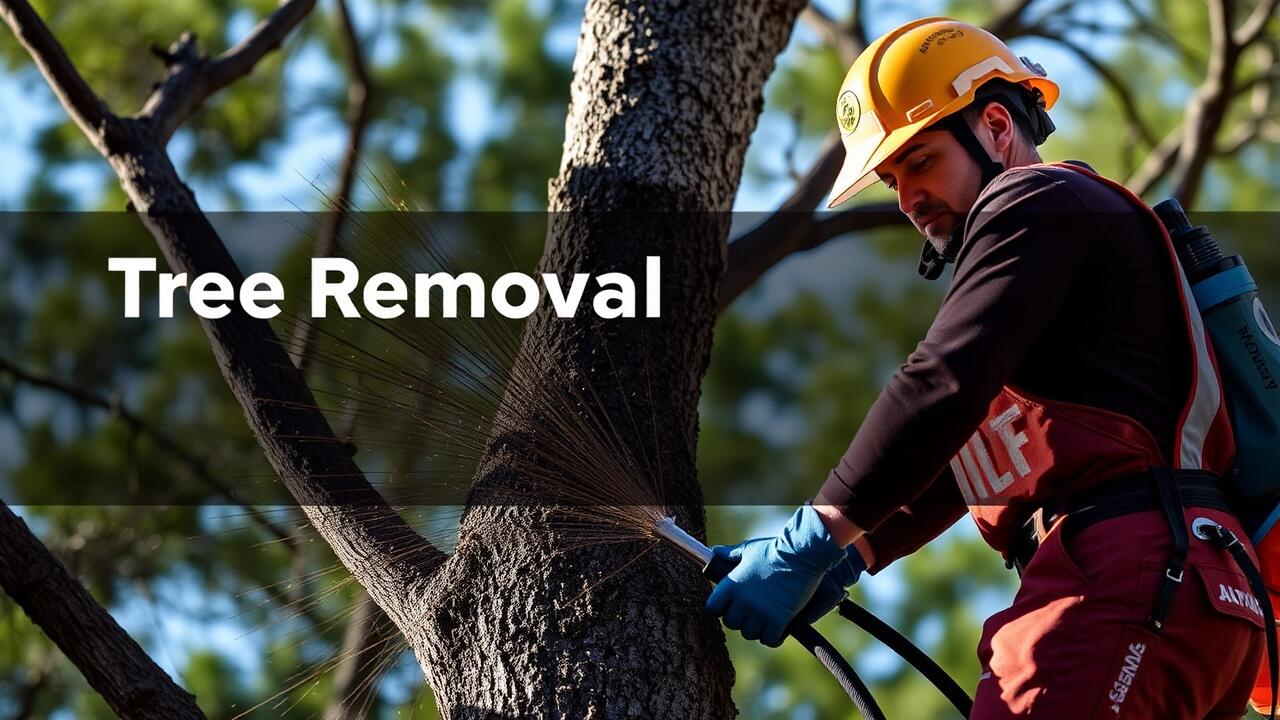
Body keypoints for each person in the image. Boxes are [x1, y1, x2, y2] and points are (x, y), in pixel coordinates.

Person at [705, 17, 1267, 719]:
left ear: (996, 126)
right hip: (1195, 591)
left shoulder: (1034, 202)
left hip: (1126, 575)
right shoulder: (1061, 254)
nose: (908, 198)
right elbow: (972, 450)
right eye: (891, 178)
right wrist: (853, 551)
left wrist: (813, 536)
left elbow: (942, 384)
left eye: (919, 160)